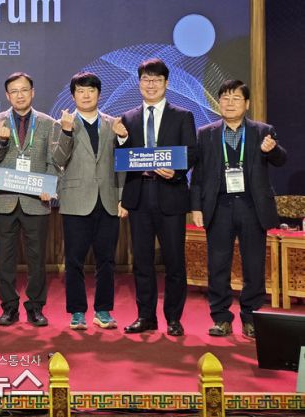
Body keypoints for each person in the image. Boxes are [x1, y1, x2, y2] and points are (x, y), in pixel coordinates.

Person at [190, 80, 286, 339]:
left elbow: (281, 159)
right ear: (218, 102)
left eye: (236, 98)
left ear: (247, 104)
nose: (229, 103)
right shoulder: (206, 133)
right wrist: (196, 207)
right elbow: (198, 175)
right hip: (218, 207)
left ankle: (251, 318)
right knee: (217, 265)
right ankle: (221, 318)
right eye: (225, 98)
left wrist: (272, 150)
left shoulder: (263, 131)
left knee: (254, 265)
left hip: (252, 207)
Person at [113, 58, 196, 336]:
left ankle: (173, 318)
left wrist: (176, 170)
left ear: (166, 83)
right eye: (146, 80)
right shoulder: (127, 118)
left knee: (174, 262)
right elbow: (121, 158)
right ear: (139, 83)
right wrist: (121, 139)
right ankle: (145, 316)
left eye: (157, 80)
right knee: (142, 261)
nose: (151, 85)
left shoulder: (182, 115)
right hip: (139, 195)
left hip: (171, 194)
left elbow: (192, 152)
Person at [0, 72, 73, 327]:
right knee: (5, 259)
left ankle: (35, 307)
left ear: (32, 92)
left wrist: (49, 187)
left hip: (37, 201)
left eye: (24, 90)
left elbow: (54, 162)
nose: (20, 95)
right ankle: (9, 307)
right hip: (4, 200)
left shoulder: (47, 123)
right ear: (7, 95)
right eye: (14, 91)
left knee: (37, 259)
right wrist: (2, 140)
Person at [56, 72, 125, 331]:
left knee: (106, 260)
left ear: (99, 94)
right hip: (76, 201)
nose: (86, 95)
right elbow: (58, 160)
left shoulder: (113, 124)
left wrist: (122, 197)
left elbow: (122, 164)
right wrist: (66, 132)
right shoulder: (63, 123)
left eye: (91, 90)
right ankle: (77, 312)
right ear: (73, 95)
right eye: (80, 91)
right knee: (74, 260)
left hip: (108, 200)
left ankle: (103, 311)